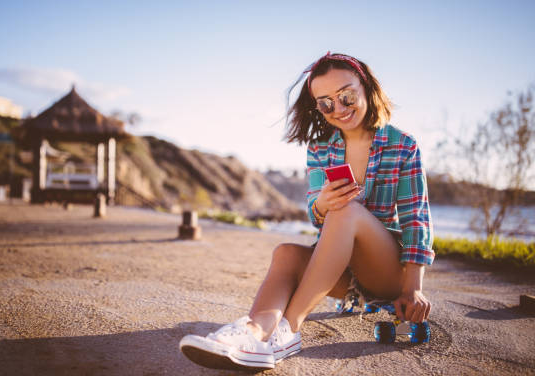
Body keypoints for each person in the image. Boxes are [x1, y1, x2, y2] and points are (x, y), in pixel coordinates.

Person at [179, 52, 435, 372]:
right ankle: (255, 332)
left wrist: (413, 288)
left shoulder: (403, 144)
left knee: (346, 212)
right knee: (286, 252)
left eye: (346, 96)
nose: (338, 109)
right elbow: (316, 214)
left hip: (385, 271)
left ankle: (289, 329)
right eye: (326, 103)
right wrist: (322, 204)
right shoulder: (320, 148)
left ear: (366, 86)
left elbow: (416, 217)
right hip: (344, 276)